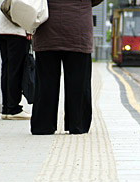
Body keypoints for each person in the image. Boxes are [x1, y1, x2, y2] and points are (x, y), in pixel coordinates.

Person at [30, 0, 104, 135]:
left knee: (46, 83)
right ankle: (78, 124)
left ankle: (43, 125)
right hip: (78, 27)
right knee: (78, 82)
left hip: (47, 27)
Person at [0, 0, 31, 120]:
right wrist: (29, 29)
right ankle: (14, 108)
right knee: (16, 70)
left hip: (0, 28)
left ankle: (6, 107)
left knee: (6, 69)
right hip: (16, 30)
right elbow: (27, 6)